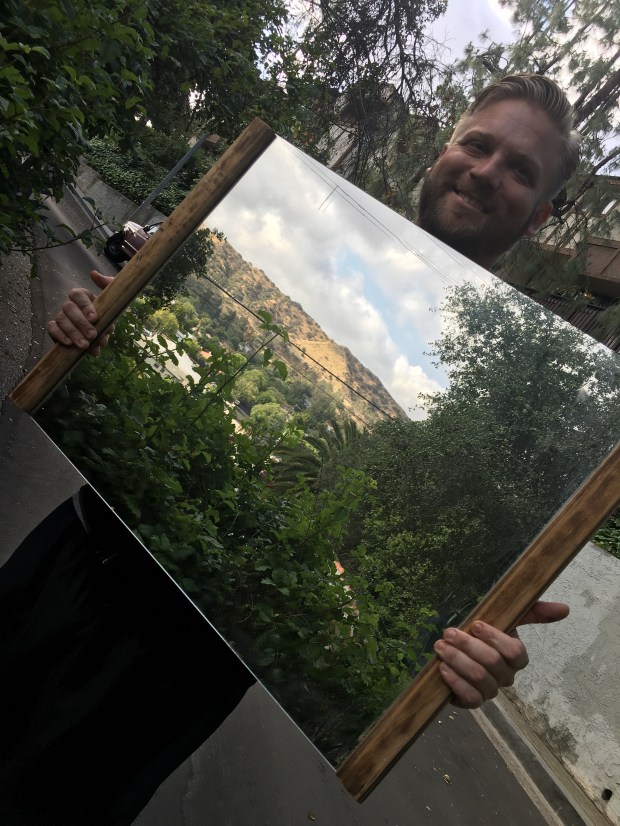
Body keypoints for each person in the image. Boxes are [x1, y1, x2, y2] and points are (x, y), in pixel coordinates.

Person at [49, 74, 578, 711]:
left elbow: (417, 604)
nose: (487, 172)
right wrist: (101, 334)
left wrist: (463, 658)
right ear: (444, 152)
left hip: (188, 681)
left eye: (520, 170)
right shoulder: (287, 218)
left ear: (539, 215)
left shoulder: (502, 409)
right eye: (477, 145)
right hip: (80, 550)